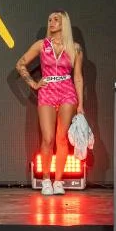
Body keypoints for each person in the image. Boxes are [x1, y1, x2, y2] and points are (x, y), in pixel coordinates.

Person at [15, 11, 83, 195]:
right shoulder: (41, 45)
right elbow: (20, 64)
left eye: (56, 20)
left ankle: (58, 181)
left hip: (67, 91)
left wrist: (81, 105)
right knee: (48, 138)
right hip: (47, 91)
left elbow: (78, 77)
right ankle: (46, 179)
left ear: (64, 23)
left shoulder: (75, 48)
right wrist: (33, 83)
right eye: (50, 20)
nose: (51, 23)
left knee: (62, 138)